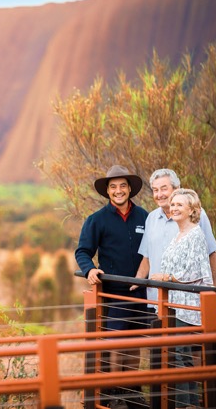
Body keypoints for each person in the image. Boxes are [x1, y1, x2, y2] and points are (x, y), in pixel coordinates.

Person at [75, 165, 149, 409]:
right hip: (114, 293)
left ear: (130, 189)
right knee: (116, 341)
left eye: (123, 186)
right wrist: (90, 269)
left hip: (140, 292)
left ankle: (132, 390)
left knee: (134, 342)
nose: (119, 191)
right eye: (113, 187)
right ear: (107, 191)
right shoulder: (97, 220)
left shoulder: (145, 218)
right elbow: (83, 251)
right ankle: (114, 392)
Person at [150, 188, 213, 408]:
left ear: (191, 210)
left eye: (179, 205)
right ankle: (185, 404)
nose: (174, 208)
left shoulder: (195, 234)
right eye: (173, 204)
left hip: (187, 307)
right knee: (177, 357)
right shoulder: (179, 235)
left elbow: (193, 273)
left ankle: (188, 405)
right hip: (172, 303)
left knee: (181, 357)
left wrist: (165, 276)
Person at [132, 169, 216, 313]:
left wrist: (212, 291)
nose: (159, 195)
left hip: (186, 301)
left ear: (176, 189)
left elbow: (211, 254)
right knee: (155, 335)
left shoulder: (196, 215)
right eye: (155, 190)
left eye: (164, 189)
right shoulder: (151, 218)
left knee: (183, 335)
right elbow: (147, 259)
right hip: (155, 299)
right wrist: (135, 282)